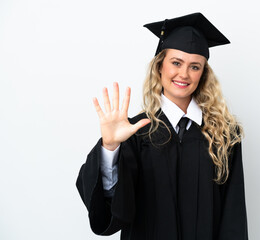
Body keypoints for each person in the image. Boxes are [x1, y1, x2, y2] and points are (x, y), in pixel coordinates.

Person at [76, 12, 248, 240]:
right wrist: (110, 147)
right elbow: (113, 209)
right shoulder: (135, 131)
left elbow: (233, 217)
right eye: (176, 63)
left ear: (203, 74)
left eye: (195, 66)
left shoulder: (224, 134)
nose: (184, 74)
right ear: (160, 67)